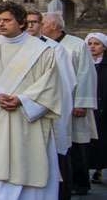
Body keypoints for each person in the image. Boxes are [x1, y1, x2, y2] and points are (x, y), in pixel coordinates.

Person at [0, 1, 62, 200]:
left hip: (29, 122)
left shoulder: (42, 51)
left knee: (30, 169)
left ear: (21, 23)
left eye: (7, 20)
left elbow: (50, 85)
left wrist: (22, 100)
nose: (1, 24)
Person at [42, 11, 99, 196]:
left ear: (54, 26)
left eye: (43, 23)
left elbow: (86, 75)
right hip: (51, 104)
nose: (41, 26)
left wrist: (81, 103)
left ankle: (81, 182)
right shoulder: (41, 44)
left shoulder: (77, 45)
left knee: (75, 145)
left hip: (73, 104)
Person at [27, 8, 76, 200]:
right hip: (23, 111)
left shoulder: (56, 49)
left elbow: (66, 83)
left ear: (41, 24)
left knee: (55, 157)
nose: (30, 25)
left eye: (34, 22)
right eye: (27, 21)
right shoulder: (17, 47)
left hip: (50, 110)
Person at [85, 32, 107, 184]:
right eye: (90, 44)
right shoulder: (84, 63)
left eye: (96, 44)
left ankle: (100, 168)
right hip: (89, 106)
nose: (92, 47)